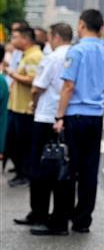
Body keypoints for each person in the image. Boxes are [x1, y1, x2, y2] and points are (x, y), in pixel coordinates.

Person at [51, 9, 104, 233]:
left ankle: (62, 219)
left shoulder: (76, 51)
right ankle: (82, 221)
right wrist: (101, 111)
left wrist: (59, 116)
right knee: (90, 170)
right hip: (95, 117)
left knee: (69, 168)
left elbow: (68, 86)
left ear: (81, 25)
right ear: (101, 28)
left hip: (75, 116)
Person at [20, 22, 73, 234]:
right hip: (65, 116)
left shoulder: (52, 57)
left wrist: (33, 103)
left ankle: (40, 215)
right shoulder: (76, 55)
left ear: (56, 37)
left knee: (40, 168)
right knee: (62, 169)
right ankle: (59, 217)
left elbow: (38, 87)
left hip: (45, 116)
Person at [5, 26, 43, 187]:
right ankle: (21, 171)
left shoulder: (34, 56)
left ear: (25, 39)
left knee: (22, 144)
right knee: (13, 143)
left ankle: (25, 174)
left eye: (15, 37)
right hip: (17, 106)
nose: (12, 40)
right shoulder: (26, 55)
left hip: (25, 109)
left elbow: (34, 80)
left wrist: (12, 74)